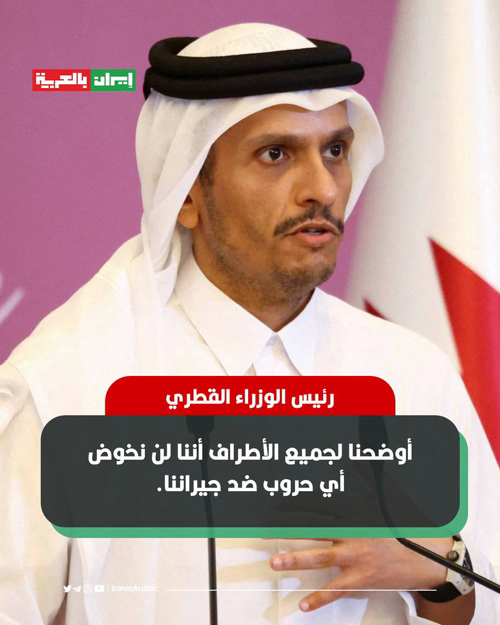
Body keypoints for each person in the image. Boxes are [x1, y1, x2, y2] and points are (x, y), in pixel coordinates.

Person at [0, 22, 498, 625]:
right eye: (276, 154)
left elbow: (488, 596)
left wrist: (443, 568)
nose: (321, 188)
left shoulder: (411, 373)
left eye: (335, 151)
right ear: (187, 192)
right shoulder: (70, 384)